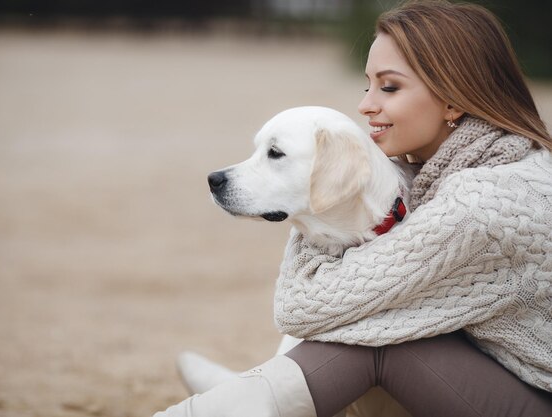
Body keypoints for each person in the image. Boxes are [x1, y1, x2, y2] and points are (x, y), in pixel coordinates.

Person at [153, 1, 552, 416]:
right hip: (499, 381)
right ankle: (252, 394)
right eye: (368, 85)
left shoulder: (481, 203)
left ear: (453, 101)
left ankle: (230, 402)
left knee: (375, 341)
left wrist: (323, 211)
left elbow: (303, 307)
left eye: (390, 87)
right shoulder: (465, 168)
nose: (365, 105)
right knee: (378, 326)